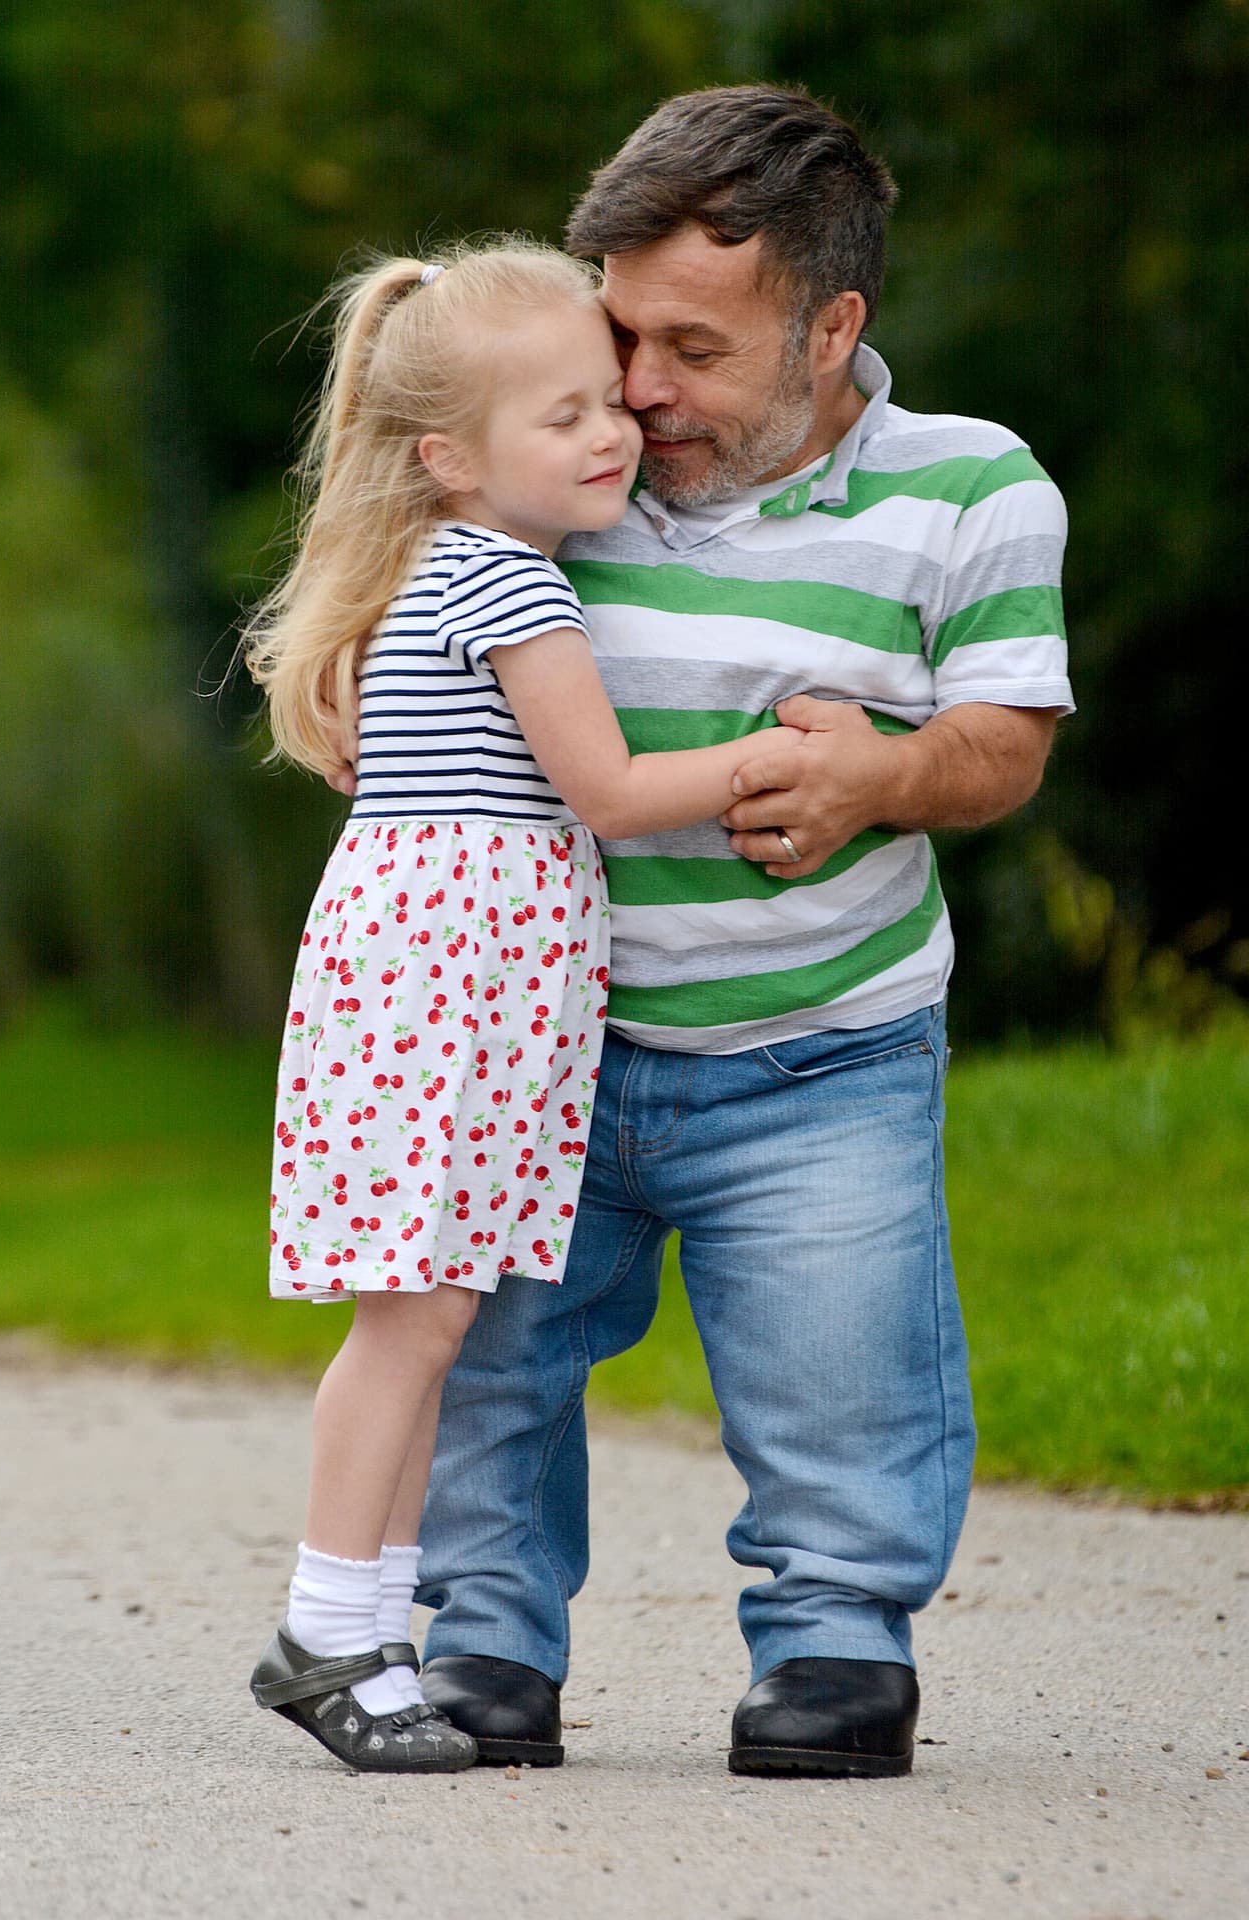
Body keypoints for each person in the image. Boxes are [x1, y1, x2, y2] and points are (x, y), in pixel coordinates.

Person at [396, 88, 1075, 1777]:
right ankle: (483, 1640)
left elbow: (1006, 745)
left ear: (834, 325)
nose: (637, 389)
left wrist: (880, 776)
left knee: (841, 1366)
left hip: (819, 1046)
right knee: (491, 1356)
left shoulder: (971, 488)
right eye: (621, 333)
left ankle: (838, 1645)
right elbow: (393, 611)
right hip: (545, 1044)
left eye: (693, 349)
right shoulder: (561, 477)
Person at [241, 240, 809, 1773]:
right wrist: (798, 757)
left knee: (428, 1322)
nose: (613, 429)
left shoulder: (425, 571)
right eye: (562, 416)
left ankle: (364, 1624)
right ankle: (326, 1629)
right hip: (452, 990)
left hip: (451, 981)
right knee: (413, 1325)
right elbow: (613, 794)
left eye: (604, 399)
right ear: (449, 455)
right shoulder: (504, 577)